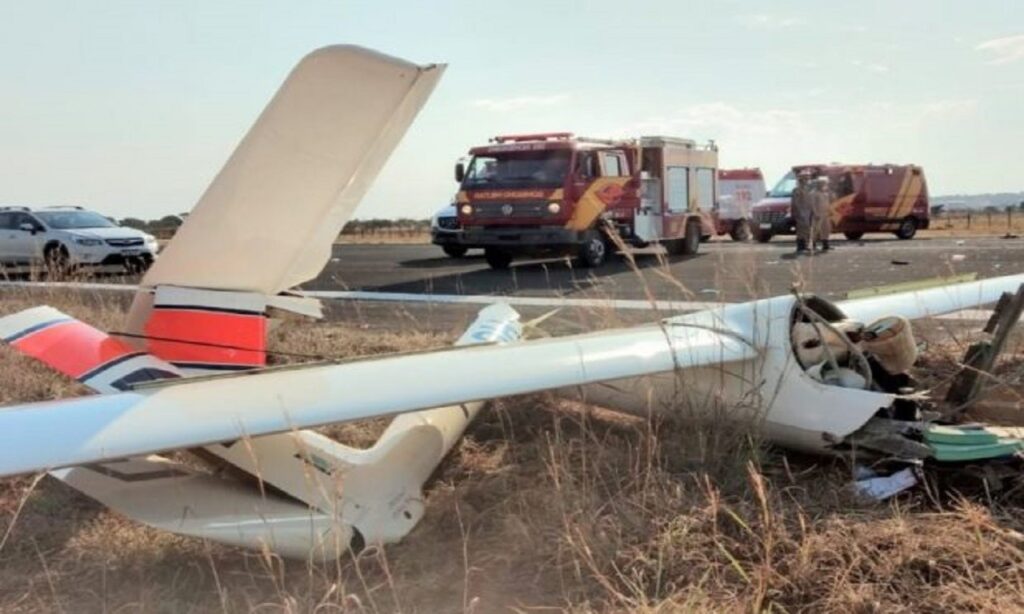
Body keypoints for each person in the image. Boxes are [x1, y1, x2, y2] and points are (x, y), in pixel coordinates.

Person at [791, 170, 814, 254]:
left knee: (807, 229)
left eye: (808, 178)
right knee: (801, 230)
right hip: (801, 212)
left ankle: (806, 245)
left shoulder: (808, 189)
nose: (808, 180)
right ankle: (800, 247)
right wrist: (799, 213)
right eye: (806, 178)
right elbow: (796, 202)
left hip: (808, 211)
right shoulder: (797, 190)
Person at [811, 175, 833, 252]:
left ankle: (825, 245)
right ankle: (812, 245)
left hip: (825, 214)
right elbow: (812, 204)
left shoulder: (825, 193)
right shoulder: (814, 193)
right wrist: (815, 213)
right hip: (818, 214)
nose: (825, 185)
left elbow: (827, 203)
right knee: (816, 230)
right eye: (824, 183)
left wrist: (830, 211)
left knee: (826, 229)